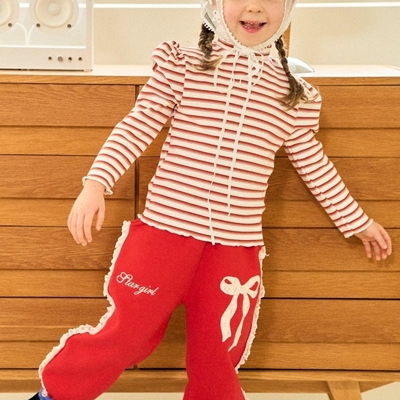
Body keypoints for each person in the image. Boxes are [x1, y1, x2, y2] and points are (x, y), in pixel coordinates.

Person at [29, 0, 392, 399]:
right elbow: (138, 124)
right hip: (164, 236)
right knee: (128, 335)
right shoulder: (183, 65)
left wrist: (356, 221)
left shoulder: (293, 95)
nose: (255, 6)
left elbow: (314, 164)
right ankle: (55, 395)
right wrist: (96, 182)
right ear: (215, 4)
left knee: (219, 354)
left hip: (235, 250)